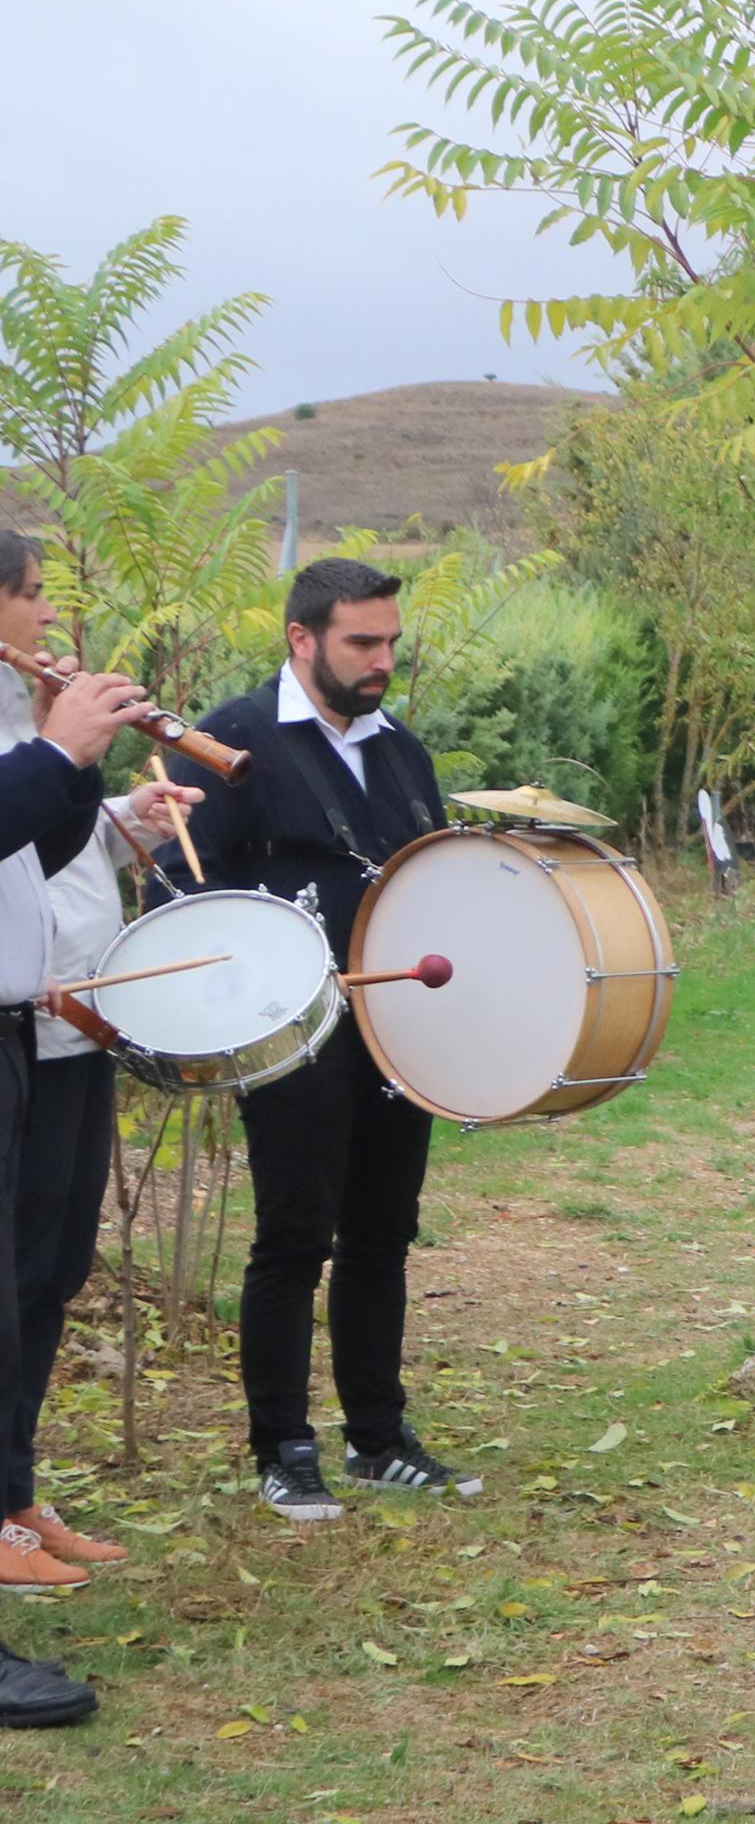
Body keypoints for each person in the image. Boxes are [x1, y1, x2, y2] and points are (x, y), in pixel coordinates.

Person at [168, 558, 467, 1518]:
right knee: (294, 1238)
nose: (382, 660)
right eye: (361, 643)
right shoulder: (227, 741)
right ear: (301, 639)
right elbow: (180, 893)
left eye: (390, 641)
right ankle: (282, 1448)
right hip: (289, 1031)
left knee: (382, 1234)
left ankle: (377, 1439)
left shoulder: (402, 751)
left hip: (393, 1026)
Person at [0, 550, 189, 1700]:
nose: (46, 618)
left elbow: (40, 853)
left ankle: (14, 1497)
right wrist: (61, 746)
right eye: (31, 596)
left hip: (33, 1032)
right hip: (20, 1024)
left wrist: (101, 794)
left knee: (42, 1275)